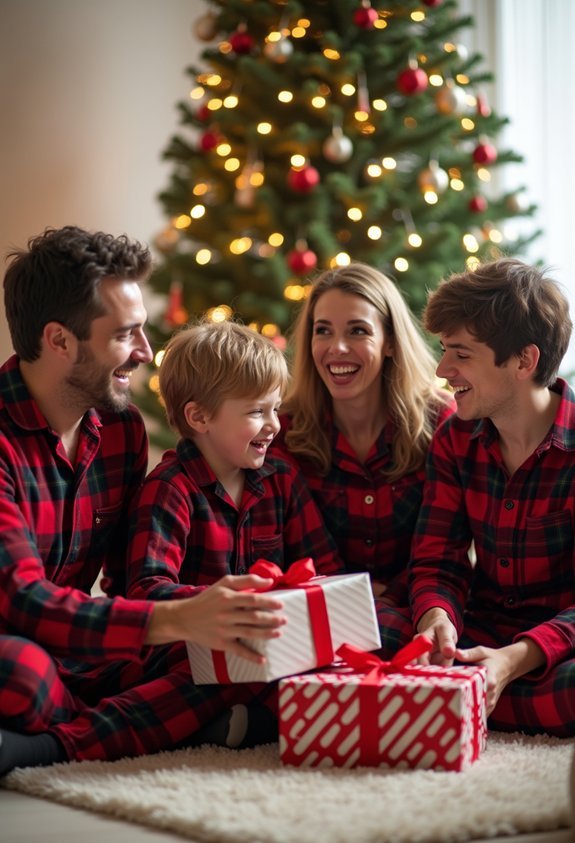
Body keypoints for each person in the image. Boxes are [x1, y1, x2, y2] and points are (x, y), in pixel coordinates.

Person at [0, 226, 288, 777]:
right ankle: (140, 725)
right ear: (60, 340)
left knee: (230, 654)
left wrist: (199, 624)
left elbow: (125, 579)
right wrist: (179, 617)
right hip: (18, 643)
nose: (145, 353)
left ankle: (56, 742)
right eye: (126, 335)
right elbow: (24, 604)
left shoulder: (120, 428)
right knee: (23, 673)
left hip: (86, 650)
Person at [379, 257, 575, 737]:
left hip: (557, 645)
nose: (443, 369)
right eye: (445, 350)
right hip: (478, 627)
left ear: (524, 361)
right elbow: (438, 558)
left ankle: (443, 695)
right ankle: (463, 692)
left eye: (462, 354)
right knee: (372, 628)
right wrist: (435, 618)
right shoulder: (454, 437)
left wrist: (513, 661)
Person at [272, 262, 454, 606]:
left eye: (358, 331)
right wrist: (352, 600)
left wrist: (394, 597)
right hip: (320, 610)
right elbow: (288, 552)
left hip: (417, 605)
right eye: (323, 331)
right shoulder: (285, 430)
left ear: (389, 342)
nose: (337, 348)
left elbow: (445, 547)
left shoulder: (440, 422)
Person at [126, 319, 343, 603]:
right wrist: (227, 604)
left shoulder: (281, 478)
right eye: (256, 412)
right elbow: (147, 591)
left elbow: (327, 570)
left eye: (275, 409)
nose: (275, 425)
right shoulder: (169, 491)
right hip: (193, 644)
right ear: (199, 417)